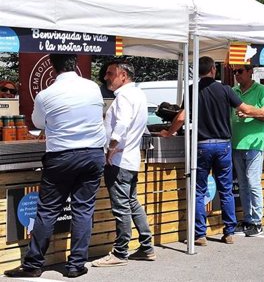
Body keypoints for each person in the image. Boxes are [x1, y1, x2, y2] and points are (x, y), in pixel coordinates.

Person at [5, 54, 106, 278]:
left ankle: (33, 264)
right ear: (75, 65)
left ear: (53, 68)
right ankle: (76, 265)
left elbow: (39, 123)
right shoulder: (92, 87)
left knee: (48, 210)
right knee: (83, 209)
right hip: (93, 154)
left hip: (61, 156)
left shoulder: (46, 94)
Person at [161, 56, 264, 246]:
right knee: (226, 190)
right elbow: (245, 108)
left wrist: (169, 132)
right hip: (223, 145)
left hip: (202, 145)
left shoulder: (192, 90)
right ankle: (229, 232)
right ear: (213, 69)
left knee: (199, 190)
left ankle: (200, 234)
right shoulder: (226, 90)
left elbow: (181, 118)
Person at [92, 60, 155, 267]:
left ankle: (120, 252)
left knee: (121, 207)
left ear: (123, 76)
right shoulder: (137, 94)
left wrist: (111, 147)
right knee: (132, 203)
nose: (106, 77)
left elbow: (122, 123)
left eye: (111, 73)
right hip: (130, 159)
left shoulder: (125, 97)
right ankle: (146, 247)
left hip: (119, 160)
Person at [231, 65, 264, 237]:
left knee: (252, 182)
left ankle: (257, 221)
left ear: (250, 72)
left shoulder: (261, 90)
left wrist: (250, 113)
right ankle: (248, 219)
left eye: (240, 71)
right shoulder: (234, 91)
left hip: (255, 143)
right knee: (242, 183)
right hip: (237, 143)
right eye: (235, 72)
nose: (237, 75)